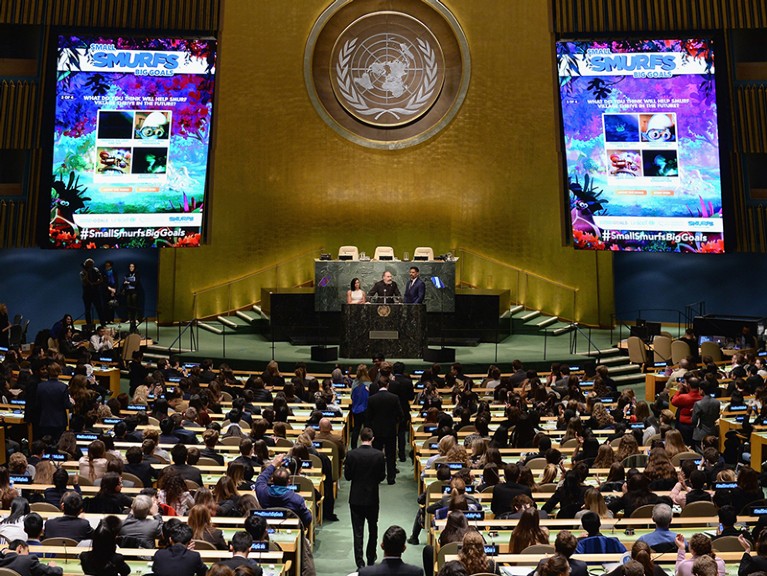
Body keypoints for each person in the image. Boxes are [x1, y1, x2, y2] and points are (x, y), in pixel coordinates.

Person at [344, 427, 386, 570]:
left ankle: (360, 563)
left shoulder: (351, 454)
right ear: (372, 438)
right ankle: (370, 558)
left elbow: (347, 477)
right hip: (372, 498)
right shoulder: (379, 455)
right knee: (373, 528)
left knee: (358, 531)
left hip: (355, 498)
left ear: (360, 438)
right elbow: (382, 477)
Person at [254, 453, 312, 529]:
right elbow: (307, 519)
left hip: (267, 528)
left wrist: (273, 464)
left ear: (272, 480)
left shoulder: (262, 493)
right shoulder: (297, 499)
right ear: (289, 481)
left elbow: (261, 479)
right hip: (292, 530)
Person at [365, 370, 402, 484]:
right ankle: (391, 478)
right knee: (391, 455)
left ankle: (377, 476)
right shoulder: (394, 398)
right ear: (388, 385)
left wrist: (370, 429)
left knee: (376, 455)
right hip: (390, 431)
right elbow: (400, 415)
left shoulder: (371, 399)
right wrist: (395, 423)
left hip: (376, 431)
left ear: (378, 385)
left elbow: (368, 417)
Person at [34, 362, 71, 441]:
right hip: (59, 421)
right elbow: (66, 405)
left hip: (45, 420)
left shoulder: (40, 386)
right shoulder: (63, 387)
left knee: (45, 443)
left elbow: (37, 404)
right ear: (59, 372)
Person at [80, 257, 105, 326]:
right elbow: (85, 282)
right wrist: (86, 273)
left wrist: (94, 283)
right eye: (89, 265)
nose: (91, 266)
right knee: (87, 310)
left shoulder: (96, 270)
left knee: (99, 308)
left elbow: (101, 279)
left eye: (91, 264)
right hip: (87, 293)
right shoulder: (82, 272)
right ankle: (89, 325)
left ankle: (103, 324)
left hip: (96, 292)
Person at [122, 262, 142, 332]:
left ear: (134, 267)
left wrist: (129, 282)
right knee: (129, 306)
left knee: (134, 305)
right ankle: (130, 319)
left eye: (132, 266)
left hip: (135, 292)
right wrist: (125, 283)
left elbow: (136, 283)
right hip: (128, 292)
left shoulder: (137, 274)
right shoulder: (127, 274)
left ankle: (135, 319)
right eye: (130, 266)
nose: (131, 268)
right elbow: (124, 282)